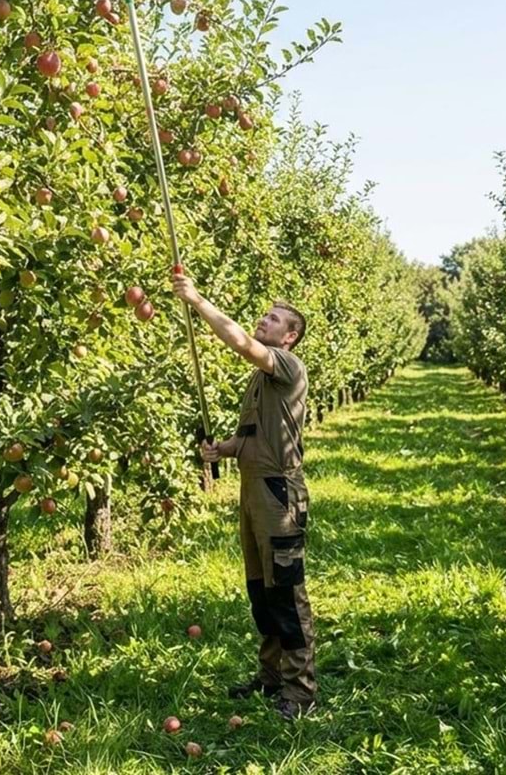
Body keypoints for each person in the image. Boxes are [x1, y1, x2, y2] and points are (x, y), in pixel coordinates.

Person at [172, 270, 316, 720]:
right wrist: (224, 449)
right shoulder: (259, 380)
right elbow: (251, 436)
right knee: (262, 589)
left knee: (286, 591)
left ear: (289, 337)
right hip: (252, 491)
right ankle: (271, 676)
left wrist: (197, 300)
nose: (264, 320)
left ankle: (300, 690)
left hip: (278, 492)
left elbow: (239, 341)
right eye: (265, 315)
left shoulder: (287, 366)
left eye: (274, 319)